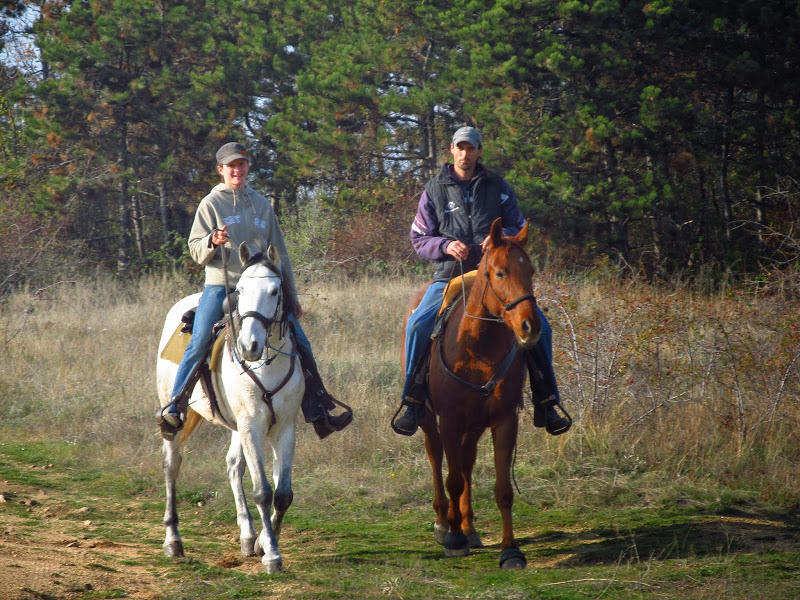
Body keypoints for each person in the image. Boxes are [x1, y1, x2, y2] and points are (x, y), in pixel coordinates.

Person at [158, 142, 352, 440]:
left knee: (301, 342)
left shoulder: (262, 204)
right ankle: (175, 406)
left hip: (262, 289)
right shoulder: (210, 204)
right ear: (221, 170)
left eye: (242, 164)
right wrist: (212, 240)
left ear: (248, 168)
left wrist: (293, 296)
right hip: (224, 286)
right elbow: (195, 251)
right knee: (198, 341)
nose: (237, 170)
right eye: (231, 165)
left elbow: (281, 255)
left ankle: (319, 407)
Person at [392, 126, 571, 437]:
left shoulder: (498, 186)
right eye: (460, 148)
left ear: (478, 151)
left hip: (496, 277)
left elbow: (517, 227)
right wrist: (445, 246)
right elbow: (419, 239)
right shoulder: (433, 190)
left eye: (471, 148)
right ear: (451, 150)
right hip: (452, 276)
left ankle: (546, 401)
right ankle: (412, 401)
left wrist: (501, 241)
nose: (465, 154)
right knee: (418, 324)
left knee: (541, 328)